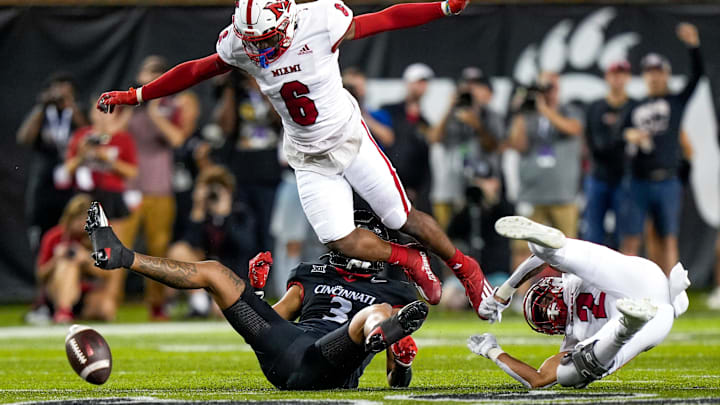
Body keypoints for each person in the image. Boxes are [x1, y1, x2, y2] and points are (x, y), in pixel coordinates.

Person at [96, 0, 494, 317]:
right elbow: (198, 69)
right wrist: (138, 95)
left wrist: (442, 6)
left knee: (401, 217)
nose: (259, 49)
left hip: (348, 139)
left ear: (287, 20)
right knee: (340, 240)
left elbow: (386, 19)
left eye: (266, 39)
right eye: (253, 41)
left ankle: (465, 267)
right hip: (306, 155)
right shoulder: (241, 40)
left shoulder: (320, 19)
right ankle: (408, 258)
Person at [86, 203, 427, 389]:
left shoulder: (393, 293)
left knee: (373, 313)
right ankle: (122, 256)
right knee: (215, 272)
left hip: (333, 363)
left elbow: (396, 383)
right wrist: (256, 294)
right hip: (286, 349)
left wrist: (403, 364)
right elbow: (272, 323)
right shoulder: (311, 274)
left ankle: (377, 331)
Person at [468, 216, 690, 389]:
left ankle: (625, 328)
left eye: (543, 304)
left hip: (649, 314)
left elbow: (537, 380)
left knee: (572, 373)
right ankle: (547, 247)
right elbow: (539, 379)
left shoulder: (571, 291)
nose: (551, 311)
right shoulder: (570, 284)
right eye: (543, 314)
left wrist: (492, 350)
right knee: (568, 373)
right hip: (651, 287)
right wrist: (505, 292)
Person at [618, 23, 703, 275]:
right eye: (649, 72)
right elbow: (618, 136)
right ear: (644, 76)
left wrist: (693, 45)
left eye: (658, 71)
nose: (654, 76)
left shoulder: (675, 102)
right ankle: (627, 291)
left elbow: (697, 76)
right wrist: (629, 135)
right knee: (633, 239)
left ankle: (671, 293)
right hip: (638, 180)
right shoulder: (634, 106)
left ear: (666, 74)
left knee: (668, 238)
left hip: (666, 179)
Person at [122, 55, 201, 320]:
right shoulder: (129, 105)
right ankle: (107, 301)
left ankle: (156, 304)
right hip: (129, 187)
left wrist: (154, 107)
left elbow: (177, 139)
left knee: (157, 249)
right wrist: (135, 103)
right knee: (119, 245)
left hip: (159, 187)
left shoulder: (169, 106)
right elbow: (112, 133)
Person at [507, 71, 584, 271]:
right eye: (543, 88)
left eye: (550, 87)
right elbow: (518, 144)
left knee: (569, 250)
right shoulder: (528, 115)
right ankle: (518, 296)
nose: (547, 92)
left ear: (558, 88)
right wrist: (520, 113)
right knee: (522, 247)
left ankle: (571, 294)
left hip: (563, 194)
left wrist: (545, 109)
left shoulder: (570, 109)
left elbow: (573, 128)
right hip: (532, 192)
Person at [167, 165, 256, 317]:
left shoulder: (241, 212)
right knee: (178, 250)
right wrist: (198, 212)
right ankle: (199, 302)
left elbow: (245, 247)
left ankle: (210, 304)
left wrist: (225, 216)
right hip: (205, 276)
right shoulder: (198, 213)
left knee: (223, 312)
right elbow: (188, 245)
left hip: (232, 274)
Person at [17, 72, 88, 250]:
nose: (60, 96)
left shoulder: (77, 112)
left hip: (71, 185)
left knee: (72, 233)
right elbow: (24, 138)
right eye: (57, 91)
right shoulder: (42, 114)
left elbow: (88, 133)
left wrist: (71, 106)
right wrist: (42, 106)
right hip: (44, 185)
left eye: (66, 91)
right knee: (42, 238)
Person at [214, 71, 283, 254]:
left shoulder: (271, 86)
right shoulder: (237, 92)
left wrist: (261, 88)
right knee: (240, 228)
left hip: (268, 172)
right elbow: (226, 127)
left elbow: (281, 118)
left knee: (265, 229)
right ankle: (243, 275)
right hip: (240, 171)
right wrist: (229, 88)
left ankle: (265, 277)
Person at [429, 67, 504, 230]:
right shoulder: (451, 114)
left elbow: (494, 146)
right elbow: (434, 138)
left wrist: (477, 124)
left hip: (480, 187)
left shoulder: (491, 116)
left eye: (476, 86)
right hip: (449, 186)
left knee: (479, 236)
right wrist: (449, 107)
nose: (471, 90)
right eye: (466, 86)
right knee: (445, 243)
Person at [35, 194, 114, 323]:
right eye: (78, 219)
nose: (81, 225)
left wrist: (87, 260)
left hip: (86, 293)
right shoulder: (54, 237)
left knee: (106, 308)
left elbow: (110, 273)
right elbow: (40, 274)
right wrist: (56, 259)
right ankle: (63, 309)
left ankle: (75, 315)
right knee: (68, 264)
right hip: (57, 292)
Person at [582, 61, 634, 248]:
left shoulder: (635, 106)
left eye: (622, 74)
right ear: (607, 77)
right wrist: (624, 137)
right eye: (614, 74)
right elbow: (597, 145)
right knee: (593, 235)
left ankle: (623, 278)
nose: (618, 79)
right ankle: (590, 278)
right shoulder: (596, 107)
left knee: (626, 234)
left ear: (628, 77)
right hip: (599, 177)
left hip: (626, 178)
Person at [372, 63, 434, 214]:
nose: (422, 86)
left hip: (416, 191)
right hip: (389, 184)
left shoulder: (424, 122)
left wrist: (416, 189)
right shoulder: (388, 110)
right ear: (408, 83)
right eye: (418, 82)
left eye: (424, 82)